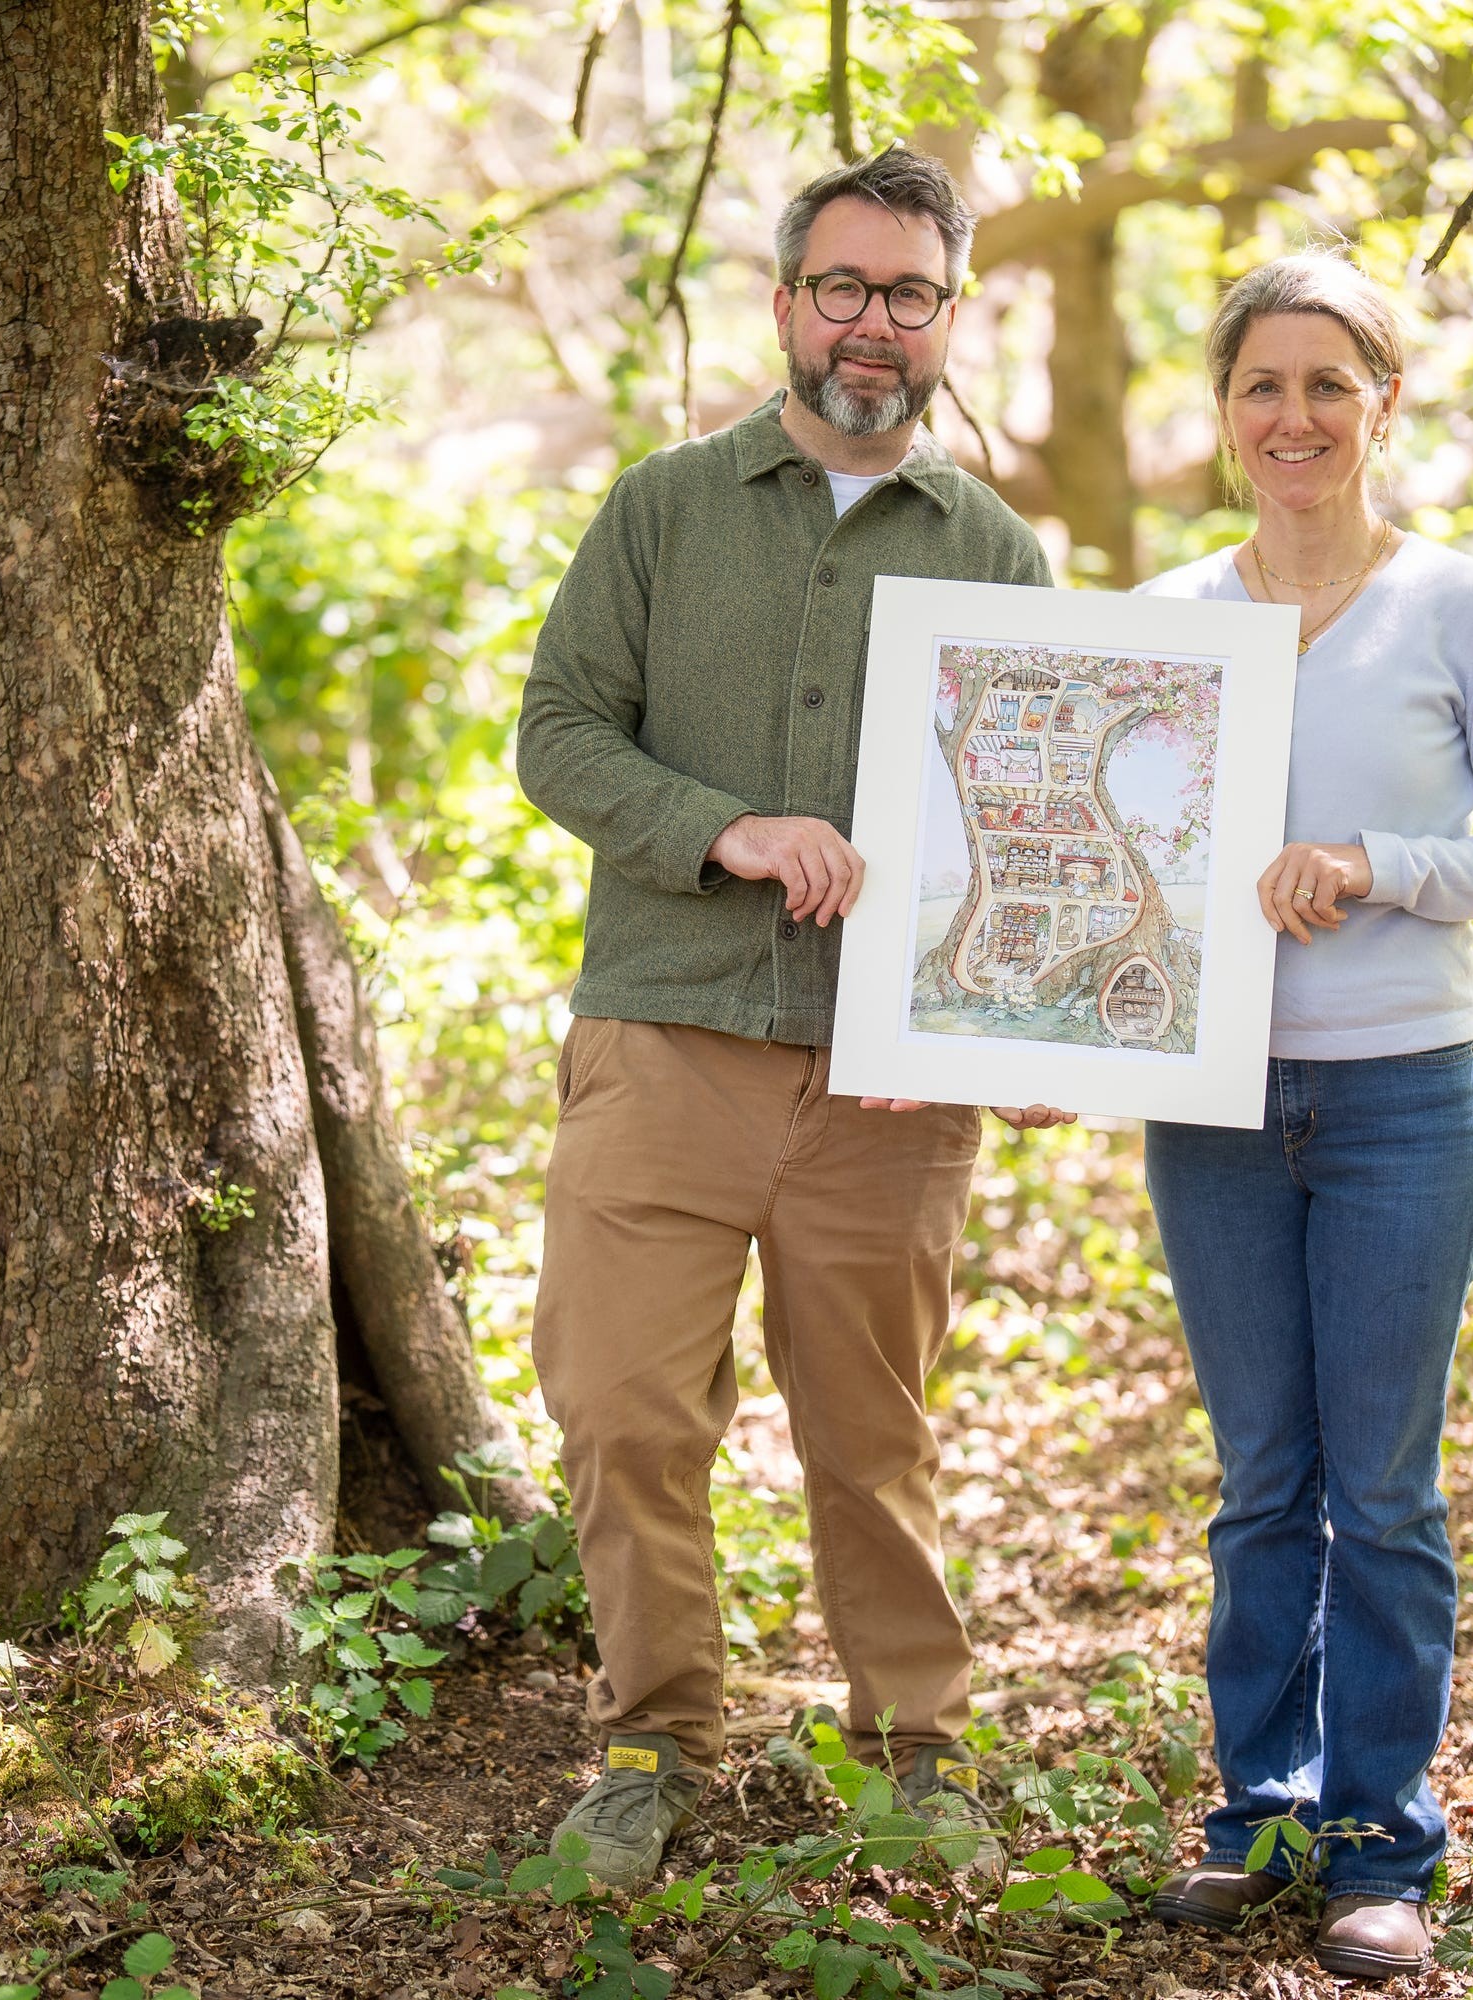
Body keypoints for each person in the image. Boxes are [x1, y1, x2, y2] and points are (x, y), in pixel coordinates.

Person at [514, 147, 1070, 1891]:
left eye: (910, 294)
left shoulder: (996, 548)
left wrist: (1032, 1023)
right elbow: (558, 730)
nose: (873, 324)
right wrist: (723, 829)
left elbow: (1039, 819)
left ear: (950, 317)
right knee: (620, 1410)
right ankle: (655, 1739)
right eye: (843, 286)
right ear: (783, 303)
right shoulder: (664, 507)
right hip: (667, 1036)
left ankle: (919, 1748)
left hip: (887, 1089)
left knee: (872, 1434)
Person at [1133, 252, 1473, 1979]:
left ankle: (1380, 1843)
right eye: (1265, 384)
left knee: (1383, 1493)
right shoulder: (1171, 621)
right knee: (1263, 1483)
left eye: (1331, 384)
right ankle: (1259, 1809)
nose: (1296, 417)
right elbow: (1119, 878)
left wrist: (1384, 865)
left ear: (1384, 404)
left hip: (1408, 1099)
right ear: (1225, 411)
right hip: (1213, 1109)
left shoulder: (1465, 606)